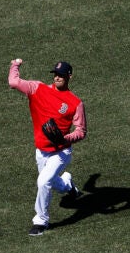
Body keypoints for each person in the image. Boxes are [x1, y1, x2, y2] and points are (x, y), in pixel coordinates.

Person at [8, 59, 87, 236]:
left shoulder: (75, 103)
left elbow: (81, 131)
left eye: (62, 75)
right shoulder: (37, 89)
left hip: (61, 151)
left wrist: (65, 138)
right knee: (50, 181)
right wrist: (15, 65)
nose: (58, 77)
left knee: (43, 182)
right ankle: (68, 185)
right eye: (56, 74)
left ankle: (40, 221)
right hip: (41, 150)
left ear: (69, 76)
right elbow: (13, 82)